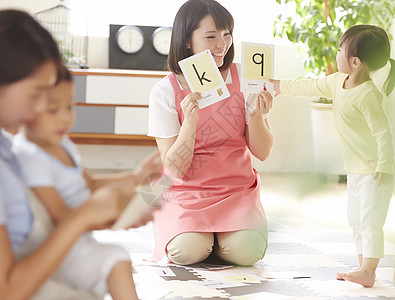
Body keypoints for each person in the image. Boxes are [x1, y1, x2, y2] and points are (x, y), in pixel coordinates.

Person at [0, 10, 157, 300]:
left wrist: (117, 206)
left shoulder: (9, 150)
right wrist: (85, 217)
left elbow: (86, 186)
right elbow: (8, 289)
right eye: (37, 95)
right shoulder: (23, 153)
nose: (39, 111)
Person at [148, 0, 274, 266]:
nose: (222, 45)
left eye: (227, 34)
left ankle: (221, 237)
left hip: (236, 191)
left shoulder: (247, 77)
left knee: (248, 252)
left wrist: (255, 114)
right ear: (187, 42)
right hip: (186, 192)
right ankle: (206, 237)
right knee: (187, 251)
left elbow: (262, 152)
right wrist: (190, 123)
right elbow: (174, 169)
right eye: (211, 36)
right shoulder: (165, 91)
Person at [271, 24, 395, 287]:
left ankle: (369, 271)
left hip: (377, 171)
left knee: (370, 220)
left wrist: (385, 166)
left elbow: (383, 134)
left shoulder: (367, 95)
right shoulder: (338, 82)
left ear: (355, 62)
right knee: (355, 219)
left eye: (340, 49)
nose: (336, 53)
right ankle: (362, 266)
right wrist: (278, 86)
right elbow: (310, 85)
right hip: (356, 167)